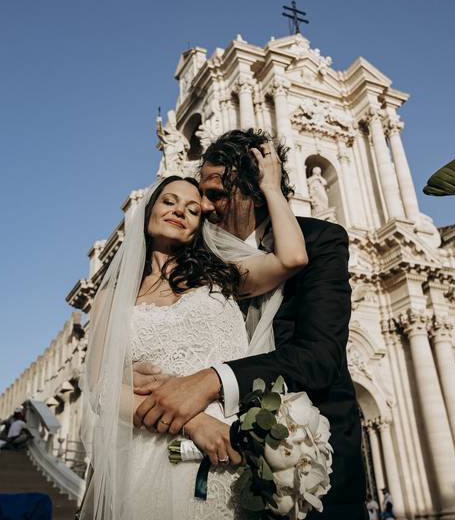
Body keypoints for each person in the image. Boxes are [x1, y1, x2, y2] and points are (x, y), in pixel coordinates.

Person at [132, 128, 366, 518]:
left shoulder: (320, 240)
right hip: (217, 462)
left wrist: (209, 380)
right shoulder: (197, 259)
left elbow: (320, 357)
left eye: (216, 194)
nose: (203, 207)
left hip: (313, 468)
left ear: (254, 191)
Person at [81, 142, 309, 520]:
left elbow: (292, 257)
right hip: (154, 453)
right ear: (149, 211)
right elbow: (102, 391)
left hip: (230, 449)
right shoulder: (111, 300)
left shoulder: (222, 278)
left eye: (192, 209)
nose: (180, 212)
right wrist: (192, 421)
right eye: (169, 202)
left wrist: (271, 185)